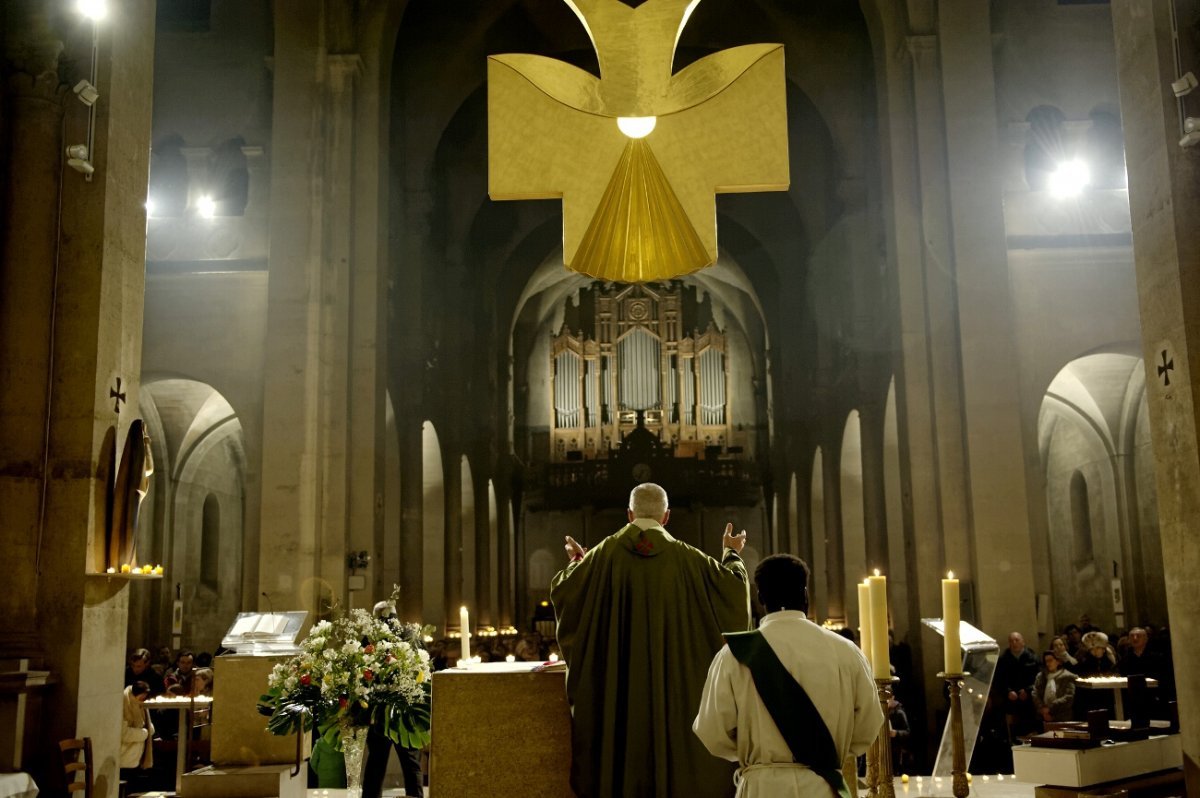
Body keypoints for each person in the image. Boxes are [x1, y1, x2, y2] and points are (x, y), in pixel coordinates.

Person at [551, 483, 751, 798]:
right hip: (676, 702)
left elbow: (566, 593)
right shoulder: (690, 559)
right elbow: (733, 593)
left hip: (620, 703)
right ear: (666, 516)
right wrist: (731, 553)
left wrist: (578, 562)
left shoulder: (603, 556)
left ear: (629, 514)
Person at [693, 554, 881, 797]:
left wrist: (753, 756)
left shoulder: (733, 655)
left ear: (760, 597)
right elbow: (869, 724)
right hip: (822, 787)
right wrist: (830, 751)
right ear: (805, 593)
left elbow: (711, 731)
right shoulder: (846, 652)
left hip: (762, 787)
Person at [363, 599, 425, 798]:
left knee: (376, 761)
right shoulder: (411, 635)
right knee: (410, 761)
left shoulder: (369, 637)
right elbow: (423, 667)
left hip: (378, 708)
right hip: (405, 707)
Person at [990, 632, 1039, 740]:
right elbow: (999, 680)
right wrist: (1008, 691)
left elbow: (1038, 678)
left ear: (1023, 642)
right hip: (1010, 698)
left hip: (1028, 697)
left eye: (1017, 640)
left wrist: (1027, 690)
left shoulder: (1032, 657)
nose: (1014, 643)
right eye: (1011, 641)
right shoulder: (1003, 660)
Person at [1032, 651, 1075, 725]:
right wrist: (1042, 709)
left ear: (1058, 661)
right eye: (1046, 661)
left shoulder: (1067, 677)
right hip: (1043, 716)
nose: (1048, 664)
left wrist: (1050, 708)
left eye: (1050, 660)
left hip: (1062, 717)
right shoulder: (1041, 676)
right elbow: (1035, 693)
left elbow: (1069, 696)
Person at [121, 681, 155, 770]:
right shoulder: (124, 704)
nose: (143, 700)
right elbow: (123, 733)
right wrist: (144, 733)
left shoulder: (140, 704)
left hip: (137, 755)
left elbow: (147, 724)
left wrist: (149, 730)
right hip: (125, 754)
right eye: (141, 698)